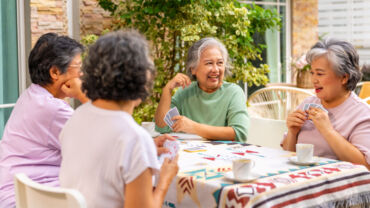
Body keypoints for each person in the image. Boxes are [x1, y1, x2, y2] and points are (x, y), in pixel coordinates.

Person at [59, 30, 179, 208]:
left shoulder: (75, 119)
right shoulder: (135, 139)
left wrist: (145, 152)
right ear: (141, 79)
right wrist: (164, 182)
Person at [0, 33, 88, 208]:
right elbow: (106, 146)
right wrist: (83, 95)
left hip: (16, 194)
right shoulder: (54, 110)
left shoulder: (30, 96)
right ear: (55, 72)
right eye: (78, 66)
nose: (82, 73)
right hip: (34, 199)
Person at [282, 39, 370, 169]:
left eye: (320, 74)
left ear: (344, 78)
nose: (313, 80)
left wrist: (328, 131)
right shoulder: (308, 103)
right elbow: (287, 156)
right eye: (312, 73)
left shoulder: (363, 114)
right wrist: (292, 133)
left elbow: (365, 166)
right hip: (300, 181)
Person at [154, 37, 249, 142]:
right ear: (193, 69)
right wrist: (167, 90)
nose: (215, 69)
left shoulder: (233, 92)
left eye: (220, 63)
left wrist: (194, 127)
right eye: (209, 63)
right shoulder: (184, 92)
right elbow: (162, 127)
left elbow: (239, 133)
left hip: (222, 156)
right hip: (192, 155)